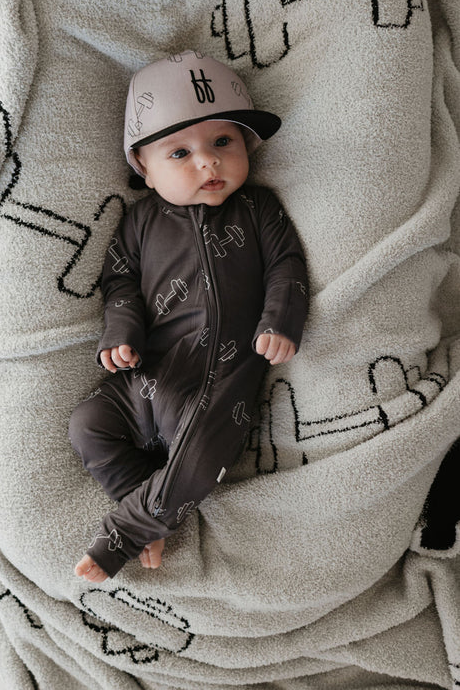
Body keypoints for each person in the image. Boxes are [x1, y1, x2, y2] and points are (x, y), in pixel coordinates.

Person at [69, 49, 308, 582]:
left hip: (219, 380)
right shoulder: (140, 222)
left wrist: (280, 320)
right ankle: (148, 500)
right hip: (146, 374)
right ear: (145, 172)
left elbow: (287, 264)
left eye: (223, 142)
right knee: (87, 424)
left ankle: (128, 529)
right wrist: (121, 330)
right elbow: (119, 279)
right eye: (179, 153)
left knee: (199, 456)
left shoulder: (258, 208)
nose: (208, 161)